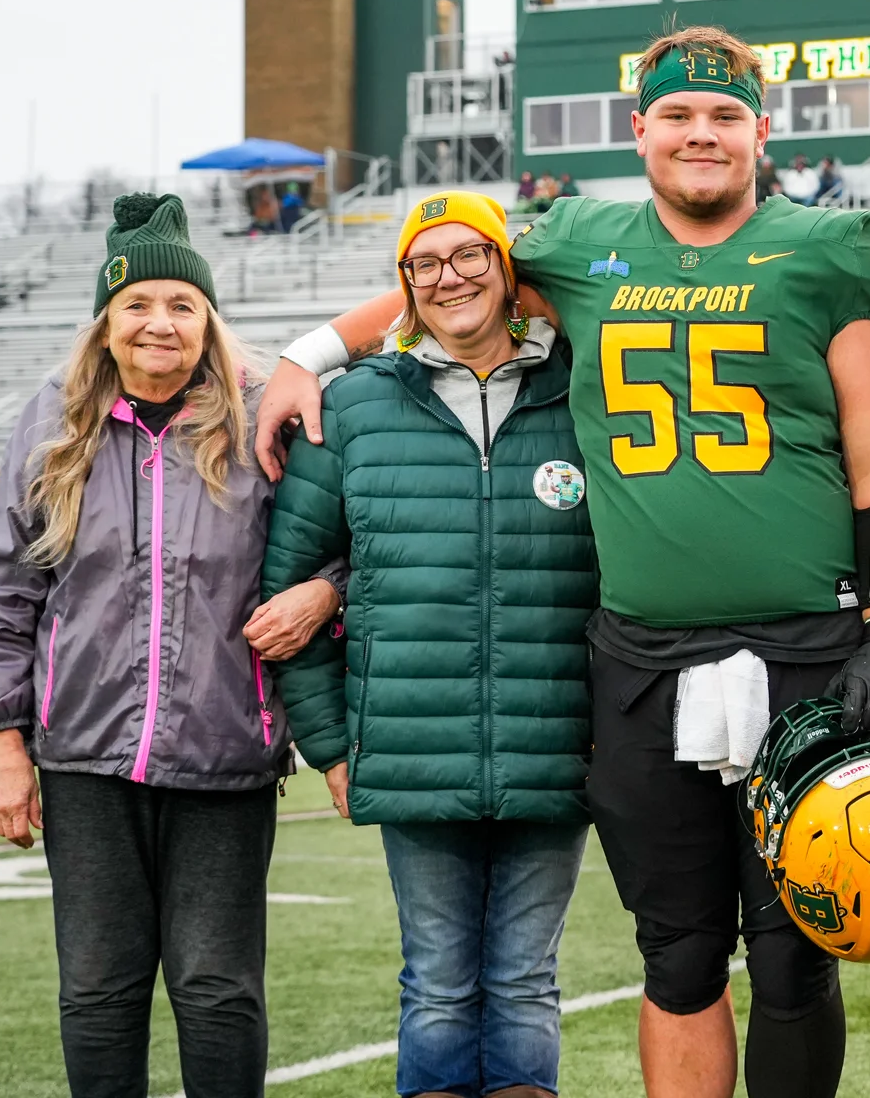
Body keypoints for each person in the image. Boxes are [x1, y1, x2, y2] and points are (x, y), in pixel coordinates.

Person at [254, 26, 870, 1098]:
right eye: (679, 115)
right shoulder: (574, 241)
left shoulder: (830, 246)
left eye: (725, 116)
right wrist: (310, 352)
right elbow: (438, 279)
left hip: (805, 647)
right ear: (640, 129)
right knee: (680, 952)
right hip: (644, 655)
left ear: (762, 129)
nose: (702, 133)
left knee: (796, 951)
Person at [255, 190, 596, 1098]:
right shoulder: (355, 407)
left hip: (554, 738)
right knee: (438, 987)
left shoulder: (587, 388)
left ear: (506, 266)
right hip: (410, 743)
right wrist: (331, 743)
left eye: (469, 255)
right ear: (404, 284)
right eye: (426, 262)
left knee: (526, 985)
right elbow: (284, 594)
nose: (450, 277)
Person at [0, 193, 292, 1098]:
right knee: (99, 990)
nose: (160, 323)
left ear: (209, 323)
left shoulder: (263, 420)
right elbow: (1, 590)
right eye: (139, 304)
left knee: (218, 988)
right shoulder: (53, 421)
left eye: (183, 306)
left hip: (226, 754)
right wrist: (3, 744)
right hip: (84, 759)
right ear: (106, 324)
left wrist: (321, 592)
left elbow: (333, 553)